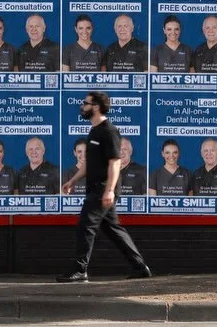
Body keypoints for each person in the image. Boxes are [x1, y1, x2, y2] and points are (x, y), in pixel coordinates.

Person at [58, 91, 151, 282]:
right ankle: (140, 267)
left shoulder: (109, 131)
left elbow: (115, 162)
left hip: (103, 188)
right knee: (113, 229)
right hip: (96, 188)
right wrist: (72, 180)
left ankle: (80, 269)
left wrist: (109, 190)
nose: (82, 106)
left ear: (96, 107)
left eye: (86, 103)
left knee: (86, 225)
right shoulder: (94, 131)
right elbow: (89, 163)